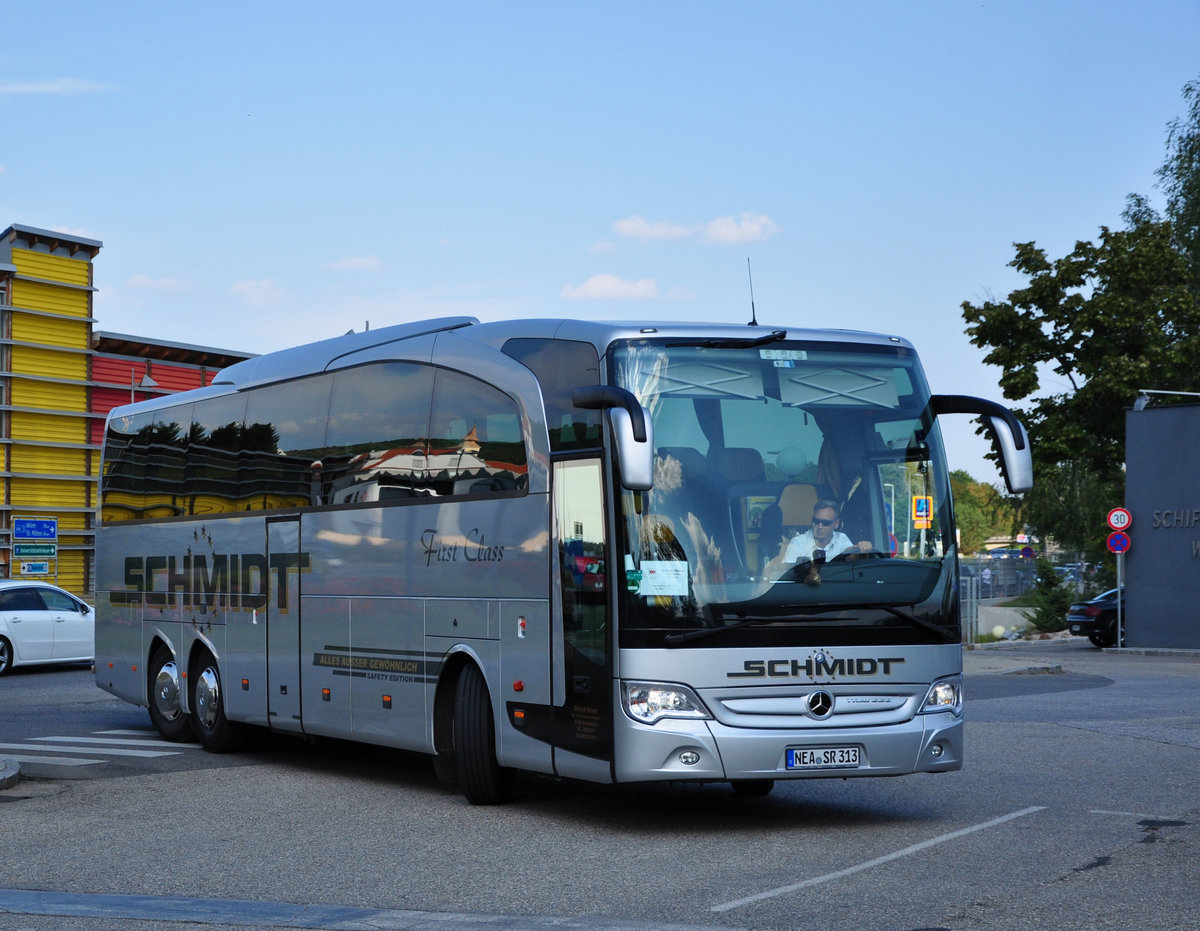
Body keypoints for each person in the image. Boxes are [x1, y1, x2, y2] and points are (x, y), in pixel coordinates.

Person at [783, 499, 872, 563]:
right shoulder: (798, 543)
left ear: (836, 524)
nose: (820, 526)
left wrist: (862, 549)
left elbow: (851, 554)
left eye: (826, 522)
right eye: (816, 521)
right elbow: (787, 574)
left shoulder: (841, 539)